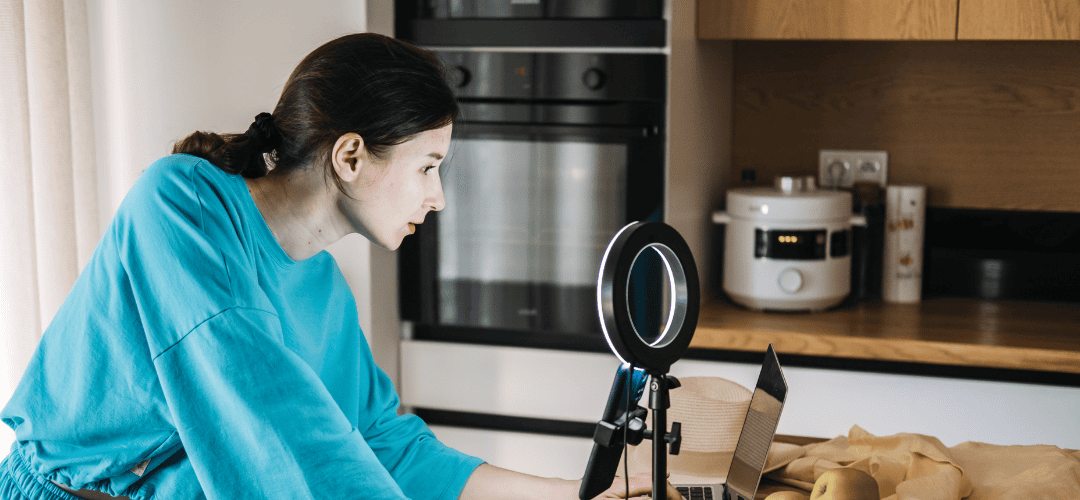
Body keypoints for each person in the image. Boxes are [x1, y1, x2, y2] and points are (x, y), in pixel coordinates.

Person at [0, 33, 681, 500]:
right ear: (350, 157)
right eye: (428, 167)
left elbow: (390, 447)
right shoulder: (181, 204)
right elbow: (267, 408)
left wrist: (581, 492)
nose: (437, 197)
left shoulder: (323, 288)